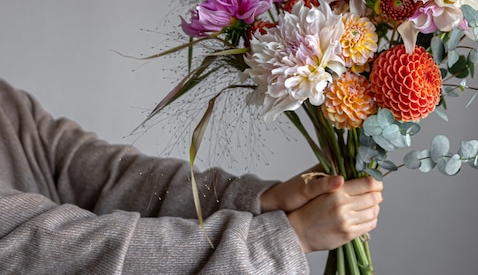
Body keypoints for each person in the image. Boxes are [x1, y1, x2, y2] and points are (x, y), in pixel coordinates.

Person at [0, 78, 383, 274]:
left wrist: (260, 199)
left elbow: (106, 174)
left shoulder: (7, 103)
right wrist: (282, 239)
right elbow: (50, 246)